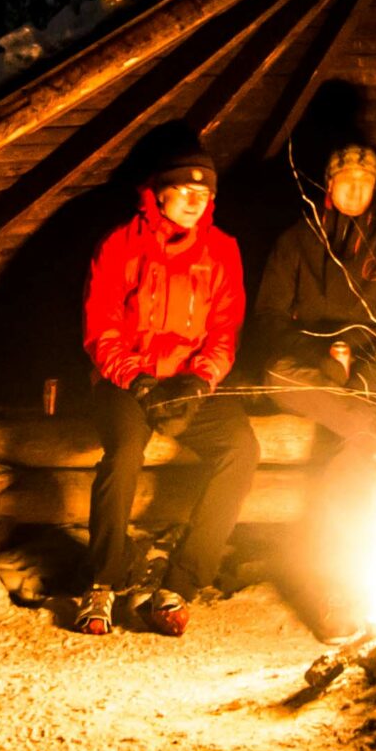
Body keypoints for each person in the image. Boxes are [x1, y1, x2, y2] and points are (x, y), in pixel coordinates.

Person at [74, 132, 255, 636]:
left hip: (186, 383)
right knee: (125, 452)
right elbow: (100, 328)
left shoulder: (221, 251)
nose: (198, 201)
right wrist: (138, 381)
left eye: (207, 194)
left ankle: (179, 583)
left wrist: (200, 381)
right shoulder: (119, 245)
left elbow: (224, 330)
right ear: (159, 192)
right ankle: (102, 584)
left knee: (241, 448)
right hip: (127, 379)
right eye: (186, 191)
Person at [253, 139, 376, 473]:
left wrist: (360, 385)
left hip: (364, 376)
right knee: (275, 374)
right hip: (309, 370)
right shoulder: (296, 241)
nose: (355, 192)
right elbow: (269, 317)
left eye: (364, 183)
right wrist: (323, 361)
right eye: (346, 182)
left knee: (348, 454)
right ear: (329, 184)